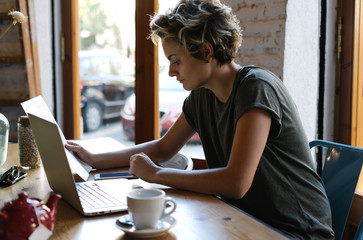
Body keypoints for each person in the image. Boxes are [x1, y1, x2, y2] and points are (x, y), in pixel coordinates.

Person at [66, 0, 334, 239]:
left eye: (175, 60)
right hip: (247, 221)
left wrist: (157, 174)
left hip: (296, 231)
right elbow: (162, 148)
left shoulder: (256, 88)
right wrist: (94, 160)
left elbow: (236, 183)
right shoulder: (201, 97)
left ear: (206, 51)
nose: (171, 71)